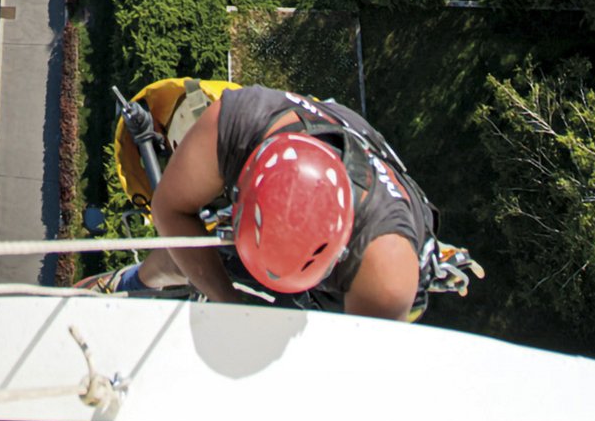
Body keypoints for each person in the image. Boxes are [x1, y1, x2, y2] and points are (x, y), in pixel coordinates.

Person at [115, 84, 440, 321]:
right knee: (187, 255)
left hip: (355, 278)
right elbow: (170, 210)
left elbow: (347, 387)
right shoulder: (238, 122)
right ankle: (133, 283)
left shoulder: (385, 270)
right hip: (314, 145)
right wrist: (227, 302)